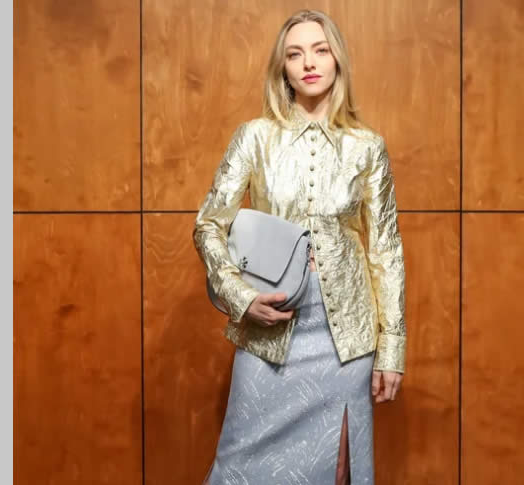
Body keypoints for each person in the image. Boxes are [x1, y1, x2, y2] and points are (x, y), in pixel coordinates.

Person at [194, 9, 406, 484]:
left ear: (337, 60)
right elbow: (208, 225)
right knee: (239, 470)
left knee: (335, 469)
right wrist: (240, 297)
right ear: (283, 69)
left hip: (345, 342)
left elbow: (386, 251)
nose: (309, 63)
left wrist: (392, 348)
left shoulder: (367, 147)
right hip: (268, 329)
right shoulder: (255, 137)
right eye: (295, 54)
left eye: (320, 50)